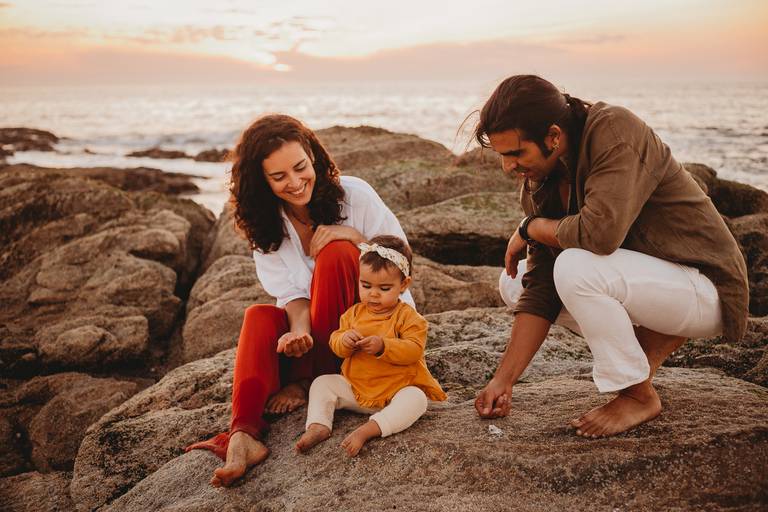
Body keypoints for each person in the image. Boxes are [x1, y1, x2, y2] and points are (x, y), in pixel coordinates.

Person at [472, 75, 749, 438]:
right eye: (502, 156)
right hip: (654, 285)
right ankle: (643, 358)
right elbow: (540, 286)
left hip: (705, 286)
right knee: (515, 281)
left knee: (575, 266)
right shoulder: (542, 181)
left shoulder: (615, 131)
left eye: (516, 154)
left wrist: (530, 228)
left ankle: (637, 395)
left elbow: (598, 235)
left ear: (553, 136)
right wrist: (502, 380)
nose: (509, 167)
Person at [186, 114, 415, 487]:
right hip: (316, 344)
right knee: (260, 316)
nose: (294, 183)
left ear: (313, 156)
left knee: (338, 252)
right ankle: (244, 434)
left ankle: (308, 382)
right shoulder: (267, 223)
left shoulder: (354, 194)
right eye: (279, 178)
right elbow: (292, 296)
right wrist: (299, 334)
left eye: (300, 168)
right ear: (262, 182)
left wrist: (352, 235)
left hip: (367, 337)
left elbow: (401, 262)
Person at [295, 235, 447, 457]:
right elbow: (335, 343)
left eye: (384, 288)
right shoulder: (353, 314)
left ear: (403, 285)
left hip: (396, 390)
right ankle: (319, 425)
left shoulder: (408, 317)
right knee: (322, 383)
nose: (373, 294)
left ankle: (369, 430)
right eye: (366, 285)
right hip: (356, 389)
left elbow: (414, 350)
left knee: (417, 399)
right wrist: (344, 342)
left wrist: (384, 346)